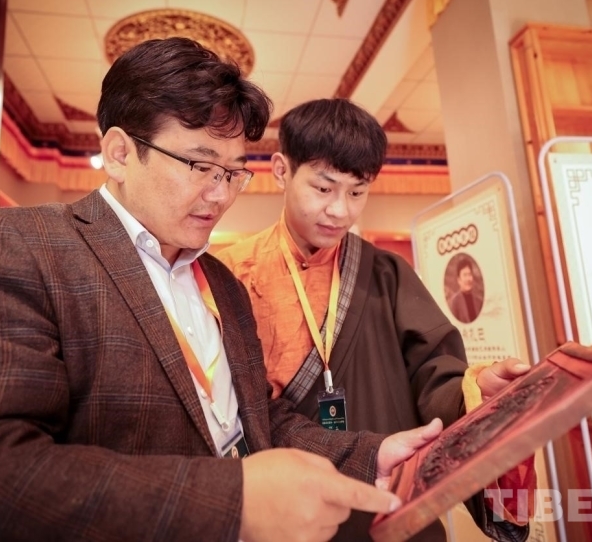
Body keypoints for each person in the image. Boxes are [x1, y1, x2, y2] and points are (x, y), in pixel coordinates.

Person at [0, 38, 443, 542]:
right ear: (119, 153)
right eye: (200, 166)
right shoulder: (21, 246)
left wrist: (367, 454)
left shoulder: (224, 286)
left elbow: (258, 419)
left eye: (232, 173)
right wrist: (233, 500)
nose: (220, 195)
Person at [217, 98, 536, 541]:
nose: (340, 210)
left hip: (392, 504)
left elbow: (435, 373)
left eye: (357, 192)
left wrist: (474, 392)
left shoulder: (387, 274)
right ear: (281, 170)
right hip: (289, 508)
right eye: (323, 188)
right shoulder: (231, 274)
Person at [448, 257, 481, 323]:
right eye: (465, 275)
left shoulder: (479, 301)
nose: (468, 279)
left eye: (469, 274)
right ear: (459, 280)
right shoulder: (454, 302)